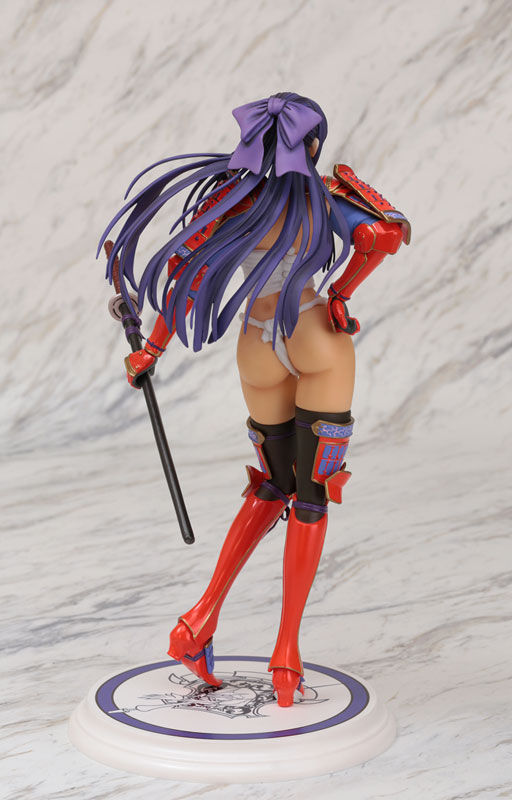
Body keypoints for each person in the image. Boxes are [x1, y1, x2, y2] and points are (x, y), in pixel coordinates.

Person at [100, 92, 410, 707]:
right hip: (313, 334)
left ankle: (198, 621)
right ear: (312, 145)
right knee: (311, 496)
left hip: (256, 345)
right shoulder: (324, 196)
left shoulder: (229, 201)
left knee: (272, 485)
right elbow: (381, 234)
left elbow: (185, 275)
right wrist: (342, 291)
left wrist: (151, 351)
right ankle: (286, 655)